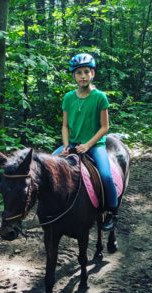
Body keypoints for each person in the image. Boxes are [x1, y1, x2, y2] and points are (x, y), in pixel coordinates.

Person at [53, 53, 118, 231]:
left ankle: (111, 211)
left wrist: (88, 145)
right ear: (74, 76)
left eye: (86, 72)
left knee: (106, 175)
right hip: (72, 143)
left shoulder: (100, 97)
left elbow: (105, 127)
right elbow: (65, 126)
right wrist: (66, 145)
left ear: (92, 74)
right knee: (48, 165)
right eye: (79, 72)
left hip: (94, 145)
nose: (82, 76)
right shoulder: (68, 98)